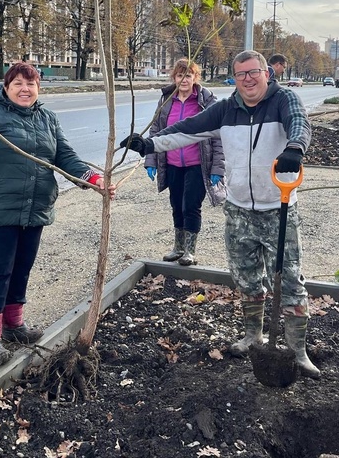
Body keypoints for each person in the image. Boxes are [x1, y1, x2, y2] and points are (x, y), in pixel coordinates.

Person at [121, 50, 320, 378]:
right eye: (241, 74)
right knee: (246, 278)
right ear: (235, 78)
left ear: (266, 73)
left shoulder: (284, 100)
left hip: (277, 208)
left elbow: (299, 124)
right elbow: (188, 129)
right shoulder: (226, 110)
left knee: (290, 282)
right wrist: (150, 145)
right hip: (238, 210)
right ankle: (253, 335)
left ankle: (297, 351)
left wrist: (295, 148)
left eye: (254, 72)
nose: (248, 79)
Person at [0, 62, 115, 368]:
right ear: (6, 88)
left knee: (22, 267)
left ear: (39, 88)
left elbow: (64, 156)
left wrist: (94, 180)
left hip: (35, 207)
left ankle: (14, 325)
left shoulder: (48, 118)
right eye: (18, 84)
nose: (25, 89)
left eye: (31, 84)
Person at [144, 59, 225, 266]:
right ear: (174, 77)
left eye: (188, 75)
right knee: (176, 205)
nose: (184, 80)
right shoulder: (166, 100)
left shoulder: (205, 101)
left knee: (191, 205)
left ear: (195, 78)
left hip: (197, 163)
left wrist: (218, 167)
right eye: (180, 75)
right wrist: (151, 159)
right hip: (172, 163)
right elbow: (156, 131)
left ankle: (190, 250)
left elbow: (218, 136)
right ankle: (178, 247)